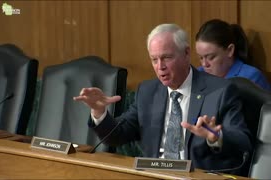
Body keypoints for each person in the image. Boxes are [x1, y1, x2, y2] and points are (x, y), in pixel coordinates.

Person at [74, 24, 252, 175]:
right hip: (153, 174)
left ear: (186, 53)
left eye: (166, 58)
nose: (160, 67)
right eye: (154, 59)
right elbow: (118, 135)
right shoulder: (148, 91)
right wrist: (99, 112)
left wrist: (215, 136)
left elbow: (243, 142)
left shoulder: (220, 91)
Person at [196, 19, 271, 91]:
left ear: (230, 50)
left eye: (211, 57)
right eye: (201, 57)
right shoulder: (198, 74)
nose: (204, 64)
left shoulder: (251, 77)